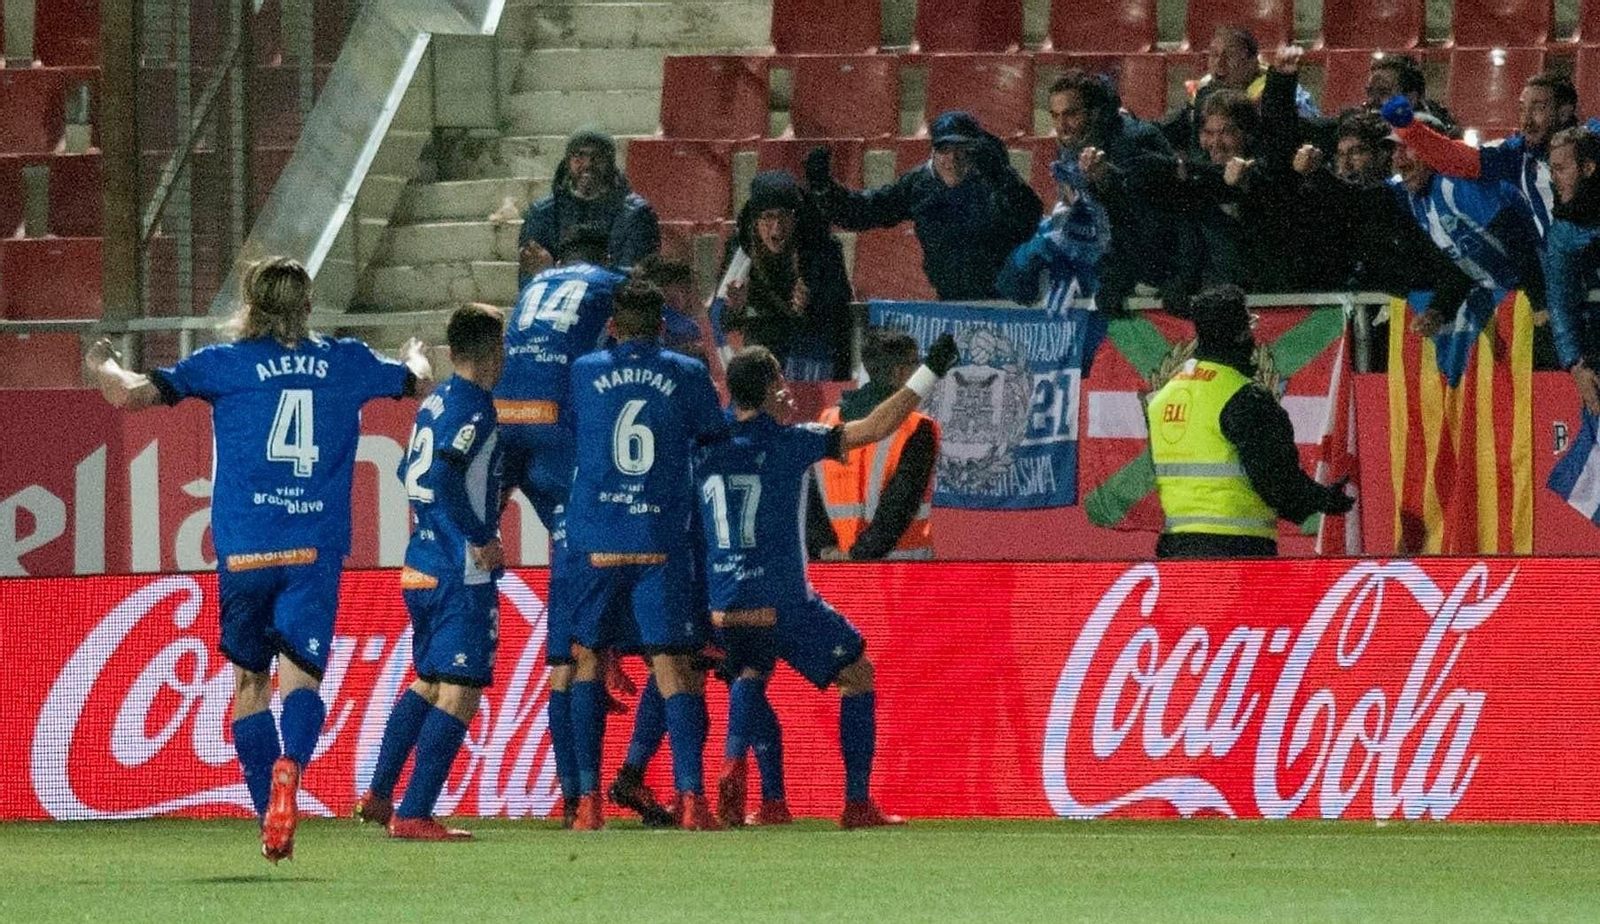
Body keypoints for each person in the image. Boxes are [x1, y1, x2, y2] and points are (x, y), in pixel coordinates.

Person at [81, 257, 432, 861]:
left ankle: (266, 811)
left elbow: (130, 394)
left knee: (249, 684)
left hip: (245, 548)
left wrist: (102, 362)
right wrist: (415, 351)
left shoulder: (223, 364)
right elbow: (417, 380)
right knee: (301, 678)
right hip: (313, 548)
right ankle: (291, 768)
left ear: (250, 301)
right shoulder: (345, 361)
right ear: (307, 304)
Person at [702, 335, 959, 828]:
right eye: (782, 382)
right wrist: (928, 372)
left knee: (751, 675)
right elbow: (879, 425)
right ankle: (857, 803)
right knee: (857, 672)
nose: (789, 392)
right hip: (783, 600)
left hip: (723, 602)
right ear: (772, 390)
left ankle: (766, 795)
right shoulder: (790, 440)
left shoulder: (706, 448)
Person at [564, 279, 729, 830]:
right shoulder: (686, 372)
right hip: (659, 538)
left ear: (613, 326)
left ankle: (586, 803)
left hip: (596, 540)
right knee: (672, 666)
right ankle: (691, 801)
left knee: (587, 660)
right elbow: (713, 435)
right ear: (661, 324)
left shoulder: (584, 371)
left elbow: (575, 429)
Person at [491, 222, 626, 826]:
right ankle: (581, 794)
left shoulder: (531, 288)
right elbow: (659, 324)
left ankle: (572, 794)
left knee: (563, 619)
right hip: (557, 432)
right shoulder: (611, 282)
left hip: (507, 423)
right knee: (576, 628)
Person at [356, 304, 506, 841]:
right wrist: (480, 536)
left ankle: (379, 792)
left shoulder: (436, 399)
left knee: (428, 680)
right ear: (495, 350)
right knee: (461, 688)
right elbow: (443, 475)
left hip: (418, 563)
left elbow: (408, 470)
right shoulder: (476, 407)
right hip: (456, 569)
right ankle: (414, 812)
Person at [1146, 284, 1352, 559]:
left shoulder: (1164, 395)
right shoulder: (1245, 396)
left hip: (1176, 549)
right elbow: (1275, 479)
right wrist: (1323, 499)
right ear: (1242, 332)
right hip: (1237, 552)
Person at [805, 111, 1042, 301]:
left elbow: (1029, 219)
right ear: (933, 151)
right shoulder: (919, 184)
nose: (952, 159)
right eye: (944, 150)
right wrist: (825, 190)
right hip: (950, 302)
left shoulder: (994, 180)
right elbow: (863, 212)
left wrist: (1003, 178)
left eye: (962, 150)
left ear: (975, 151)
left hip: (1007, 303)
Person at [1381, 104, 1545, 335]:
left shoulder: (1457, 185)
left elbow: (1516, 238)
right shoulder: (1417, 201)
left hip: (1540, 297)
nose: (1397, 159)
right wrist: (1438, 310)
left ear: (1432, 149)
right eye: (1394, 150)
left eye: (1406, 148)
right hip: (1514, 304)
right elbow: (1459, 264)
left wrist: (1540, 302)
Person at [1383, 71, 1584, 242]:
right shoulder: (1515, 155)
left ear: (1564, 113)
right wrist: (1410, 129)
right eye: (1522, 109)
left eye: (1539, 108)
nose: (1526, 120)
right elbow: (1459, 159)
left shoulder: (1592, 145)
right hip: (1560, 274)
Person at [1040, 69, 1172, 313]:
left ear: (1095, 113)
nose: (1062, 126)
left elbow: (1153, 217)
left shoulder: (1135, 140)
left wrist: (1118, 278)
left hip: (1153, 280)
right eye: (1055, 116)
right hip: (1109, 270)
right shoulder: (1073, 147)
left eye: (1070, 114)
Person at [808, 328, 942, 562]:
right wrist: (859, 557)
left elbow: (812, 502)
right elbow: (898, 508)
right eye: (915, 364)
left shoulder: (827, 421)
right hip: (900, 569)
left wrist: (826, 551)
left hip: (835, 567)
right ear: (901, 372)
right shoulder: (917, 428)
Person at [720, 170, 853, 380]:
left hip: (809, 352)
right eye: (768, 217)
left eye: (784, 216)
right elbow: (722, 321)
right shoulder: (740, 250)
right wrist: (736, 309)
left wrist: (810, 305)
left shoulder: (823, 249)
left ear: (796, 217)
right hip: (760, 352)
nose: (777, 227)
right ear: (755, 221)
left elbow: (841, 315)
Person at [518, 129, 660, 285]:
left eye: (597, 157)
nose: (588, 164)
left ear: (611, 162)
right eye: (579, 156)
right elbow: (528, 282)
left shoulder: (636, 214)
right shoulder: (542, 213)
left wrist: (552, 272)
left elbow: (636, 281)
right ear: (567, 162)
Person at [1161, 26, 1317, 160]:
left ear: (1253, 62)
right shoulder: (1204, 94)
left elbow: (1293, 139)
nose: (1219, 63)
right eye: (1214, 55)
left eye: (1230, 55)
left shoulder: (1282, 92)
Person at [1538, 126, 1600, 414]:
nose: (1554, 179)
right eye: (1552, 169)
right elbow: (1560, 301)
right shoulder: (1562, 231)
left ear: (1588, 168)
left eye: (1561, 168)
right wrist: (1576, 365)